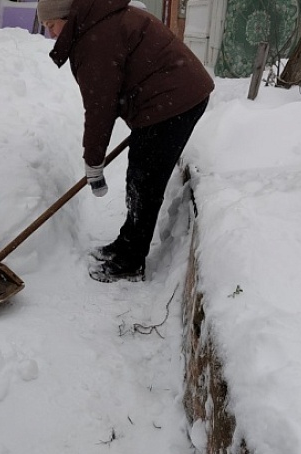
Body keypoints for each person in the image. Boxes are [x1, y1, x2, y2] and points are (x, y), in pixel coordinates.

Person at [36, 0, 214, 282]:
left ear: (67, 17)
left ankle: (130, 261)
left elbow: (100, 108)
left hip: (175, 100)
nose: (51, 33)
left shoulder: (95, 39)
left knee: (145, 180)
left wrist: (93, 161)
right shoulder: (98, 24)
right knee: (140, 174)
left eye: (51, 25)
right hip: (171, 95)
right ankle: (126, 243)